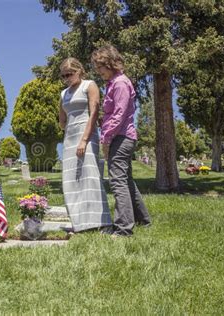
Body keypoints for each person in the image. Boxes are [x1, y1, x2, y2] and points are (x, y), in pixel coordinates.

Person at [91, 45, 151, 237]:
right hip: (120, 135)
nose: (99, 72)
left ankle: (123, 228)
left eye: (101, 68)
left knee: (117, 182)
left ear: (110, 64)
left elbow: (119, 114)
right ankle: (143, 220)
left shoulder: (120, 84)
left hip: (121, 137)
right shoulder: (113, 83)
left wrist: (106, 138)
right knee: (127, 181)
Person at [59, 57, 112, 233]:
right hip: (69, 138)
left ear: (79, 71)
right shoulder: (63, 93)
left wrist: (84, 139)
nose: (67, 78)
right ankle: (80, 223)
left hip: (87, 135)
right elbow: (62, 120)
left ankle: (102, 222)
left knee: (90, 177)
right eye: (64, 75)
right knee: (71, 180)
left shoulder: (89, 85)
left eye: (70, 74)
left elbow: (94, 112)